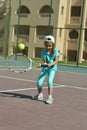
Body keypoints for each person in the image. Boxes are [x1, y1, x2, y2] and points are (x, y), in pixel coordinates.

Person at [33, 35, 60, 104]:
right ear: (45, 45)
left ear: (52, 45)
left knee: (49, 82)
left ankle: (50, 97)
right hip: (45, 68)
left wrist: (51, 64)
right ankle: (40, 95)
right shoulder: (43, 52)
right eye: (46, 46)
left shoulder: (55, 51)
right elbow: (45, 61)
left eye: (50, 46)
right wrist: (41, 64)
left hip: (52, 69)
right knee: (39, 82)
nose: (48, 47)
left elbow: (57, 60)